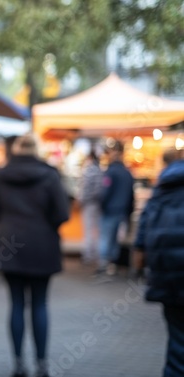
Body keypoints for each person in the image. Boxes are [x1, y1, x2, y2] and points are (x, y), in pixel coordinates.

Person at [0, 134, 70, 377]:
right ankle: (42, 364)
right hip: (41, 244)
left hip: (8, 245)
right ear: (36, 150)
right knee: (40, 303)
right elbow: (62, 213)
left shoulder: (0, 175)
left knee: (16, 304)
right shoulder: (50, 175)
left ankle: (19, 363)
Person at [132, 148, 184, 377]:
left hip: (169, 278)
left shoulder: (161, 190)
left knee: (177, 343)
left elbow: (142, 236)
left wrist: (139, 270)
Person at [97, 139, 134, 276]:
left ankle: (103, 264)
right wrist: (129, 212)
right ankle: (112, 264)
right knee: (115, 239)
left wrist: (102, 205)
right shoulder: (127, 173)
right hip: (122, 211)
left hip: (110, 210)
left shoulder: (110, 172)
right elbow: (131, 195)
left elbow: (105, 192)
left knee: (106, 237)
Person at [77, 150, 103, 265]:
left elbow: (85, 188)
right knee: (97, 229)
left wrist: (81, 200)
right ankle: (96, 253)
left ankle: (88, 254)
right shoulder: (100, 171)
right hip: (98, 204)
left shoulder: (89, 170)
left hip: (89, 204)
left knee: (88, 229)